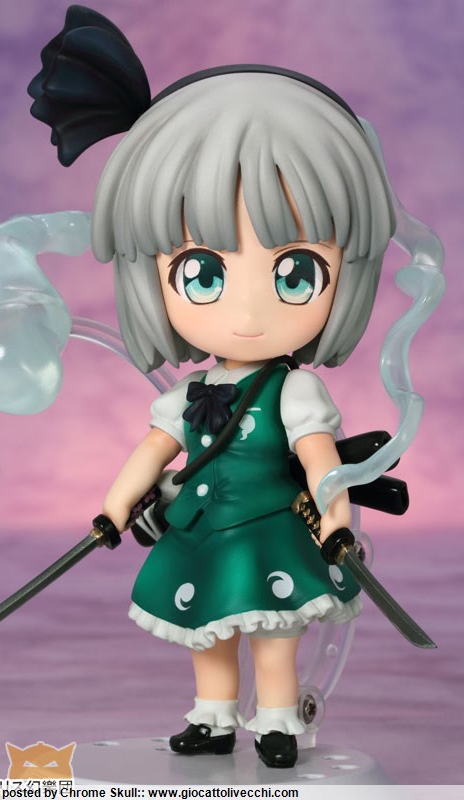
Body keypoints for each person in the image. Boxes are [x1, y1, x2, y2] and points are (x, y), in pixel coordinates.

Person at [25, 6, 397, 769]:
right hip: (200, 529)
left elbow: (322, 464)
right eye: (202, 273)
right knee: (208, 632)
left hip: (270, 531)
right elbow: (150, 451)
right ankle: (213, 718)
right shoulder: (185, 394)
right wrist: (113, 507)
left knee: (273, 635)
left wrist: (335, 519)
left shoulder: (293, 395)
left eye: (295, 273)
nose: (248, 313)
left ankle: (278, 723)